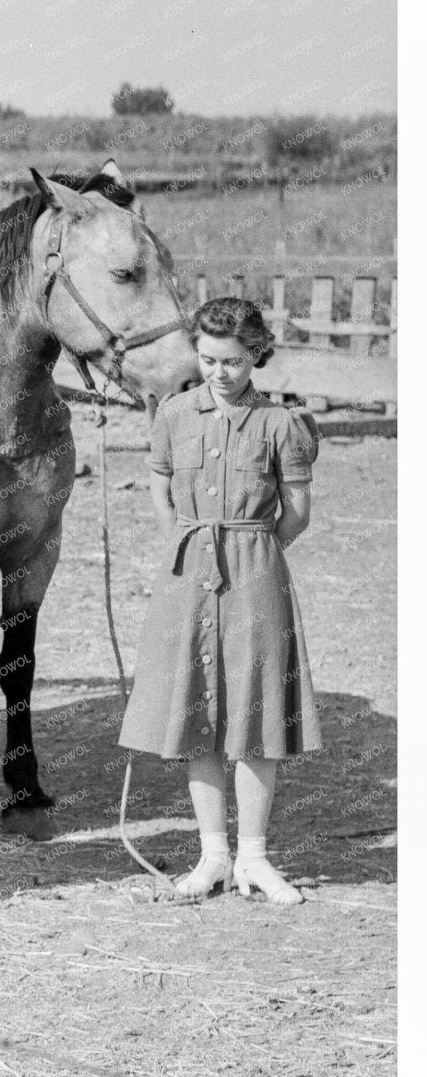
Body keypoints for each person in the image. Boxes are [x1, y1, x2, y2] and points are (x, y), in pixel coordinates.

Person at [117, 297, 320, 904]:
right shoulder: (175, 413)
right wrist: (186, 539)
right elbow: (159, 484)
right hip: (187, 573)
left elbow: (297, 514)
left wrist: (250, 551)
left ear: (256, 355)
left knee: (257, 714)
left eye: (232, 362)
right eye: (207, 359)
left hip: (256, 573)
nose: (219, 373)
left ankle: (255, 858)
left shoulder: (281, 424)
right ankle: (212, 857)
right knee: (197, 713)